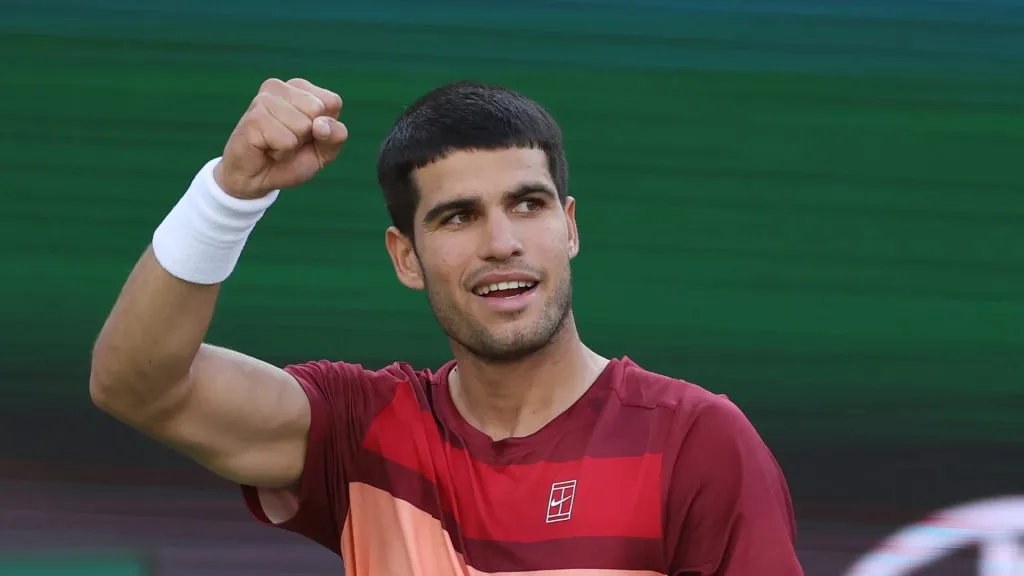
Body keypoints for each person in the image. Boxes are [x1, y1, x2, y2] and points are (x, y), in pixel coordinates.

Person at [90, 77, 804, 575]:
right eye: (457, 216)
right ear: (406, 257)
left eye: (528, 204)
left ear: (570, 226)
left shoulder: (695, 441)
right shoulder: (360, 430)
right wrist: (229, 196)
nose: (502, 243)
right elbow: (138, 385)